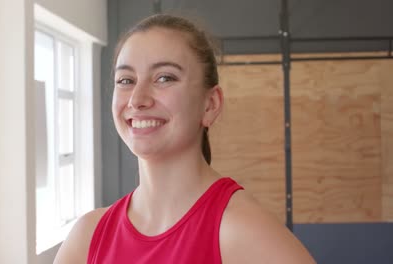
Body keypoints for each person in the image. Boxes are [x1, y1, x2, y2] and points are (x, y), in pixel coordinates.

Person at [54, 14, 315, 263]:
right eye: (126, 80)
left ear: (210, 105)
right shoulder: (87, 237)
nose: (137, 99)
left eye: (164, 78)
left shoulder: (241, 231)